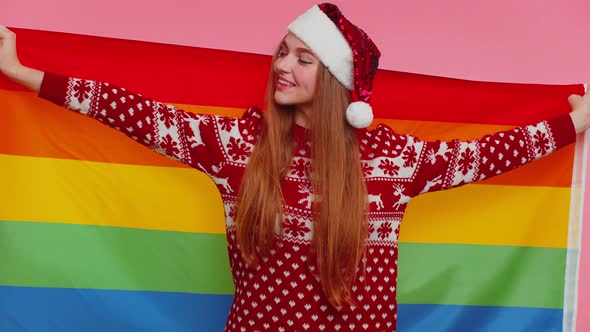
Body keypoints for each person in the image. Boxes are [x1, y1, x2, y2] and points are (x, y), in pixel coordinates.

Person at [0, 3, 589, 332]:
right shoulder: (239, 147)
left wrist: (575, 124)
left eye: (304, 58)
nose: (283, 65)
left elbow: (486, 156)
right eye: (283, 52)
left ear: (337, 81)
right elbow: (136, 114)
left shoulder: (390, 162)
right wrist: (26, 75)